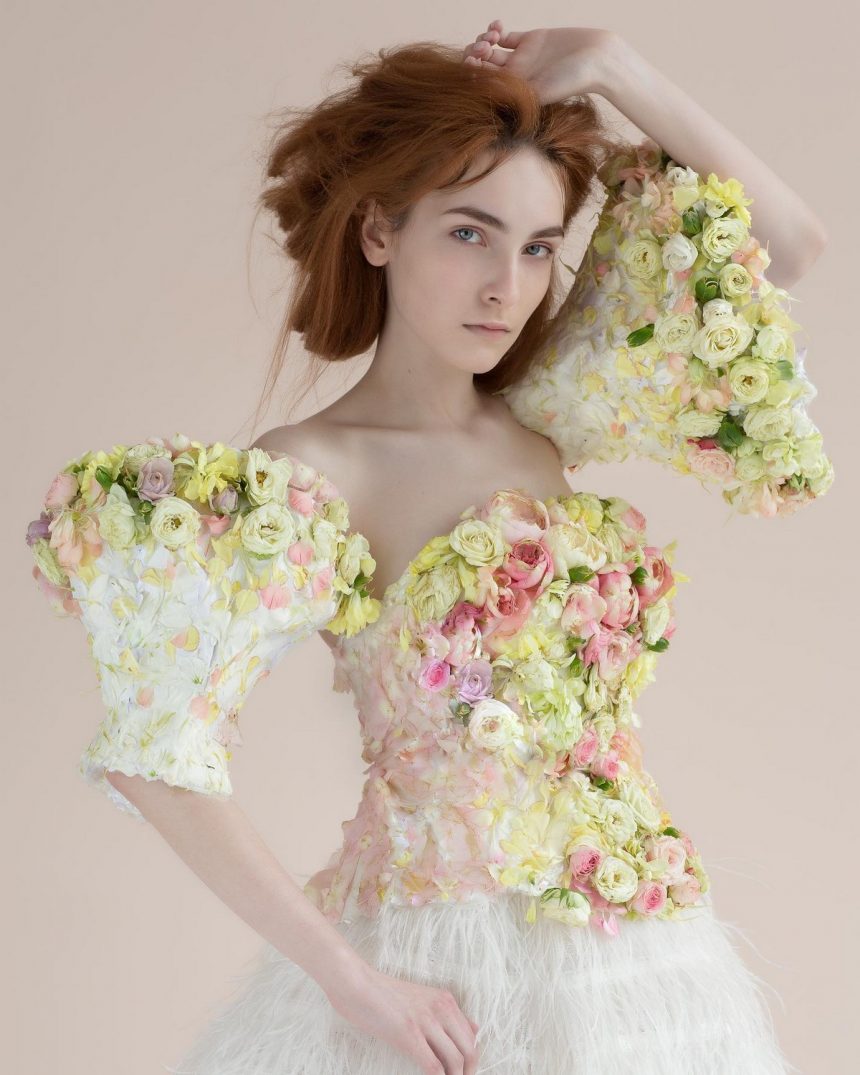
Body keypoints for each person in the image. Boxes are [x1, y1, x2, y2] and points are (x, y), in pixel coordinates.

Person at [24, 22, 834, 1075]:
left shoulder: (547, 411)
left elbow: (788, 244)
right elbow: (155, 757)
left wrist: (609, 64)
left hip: (633, 961)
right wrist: (355, 985)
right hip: (439, 965)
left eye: (537, 247)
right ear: (378, 231)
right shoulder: (310, 472)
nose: (507, 286)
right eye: (467, 234)